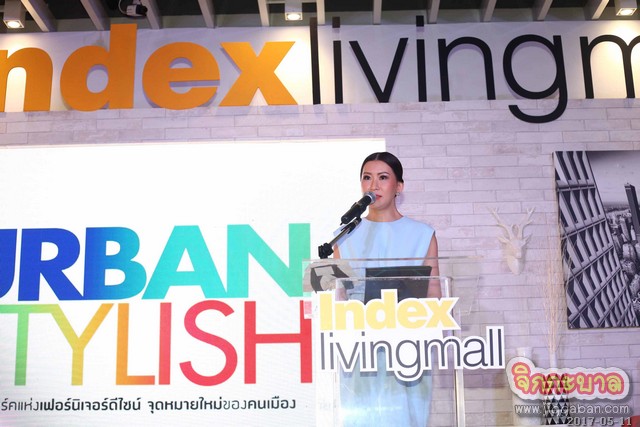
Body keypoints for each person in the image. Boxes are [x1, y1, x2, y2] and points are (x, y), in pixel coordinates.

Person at [333, 151, 440, 427]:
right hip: (360, 348)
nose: (374, 185)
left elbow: (434, 293)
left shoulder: (422, 234)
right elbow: (338, 297)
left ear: (398, 186)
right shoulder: (344, 236)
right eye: (367, 178)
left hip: (409, 345)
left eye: (383, 177)